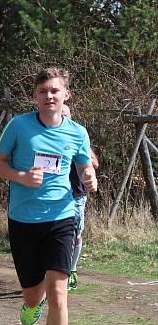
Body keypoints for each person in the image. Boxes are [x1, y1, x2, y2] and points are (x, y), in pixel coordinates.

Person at [0, 67, 97, 325]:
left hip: (61, 217)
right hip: (23, 220)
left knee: (59, 292)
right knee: (34, 295)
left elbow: (84, 163)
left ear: (66, 95)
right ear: (35, 96)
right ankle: (30, 304)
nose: (49, 96)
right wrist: (20, 176)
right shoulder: (19, 126)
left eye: (55, 91)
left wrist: (90, 177)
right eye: (43, 91)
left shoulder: (77, 132)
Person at [61, 104, 99, 290]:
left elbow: (94, 162)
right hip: (54, 196)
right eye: (60, 113)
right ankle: (57, 273)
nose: (62, 116)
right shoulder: (48, 136)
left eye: (65, 114)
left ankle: (72, 271)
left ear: (71, 115)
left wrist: (77, 156)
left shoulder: (78, 135)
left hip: (76, 195)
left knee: (75, 234)